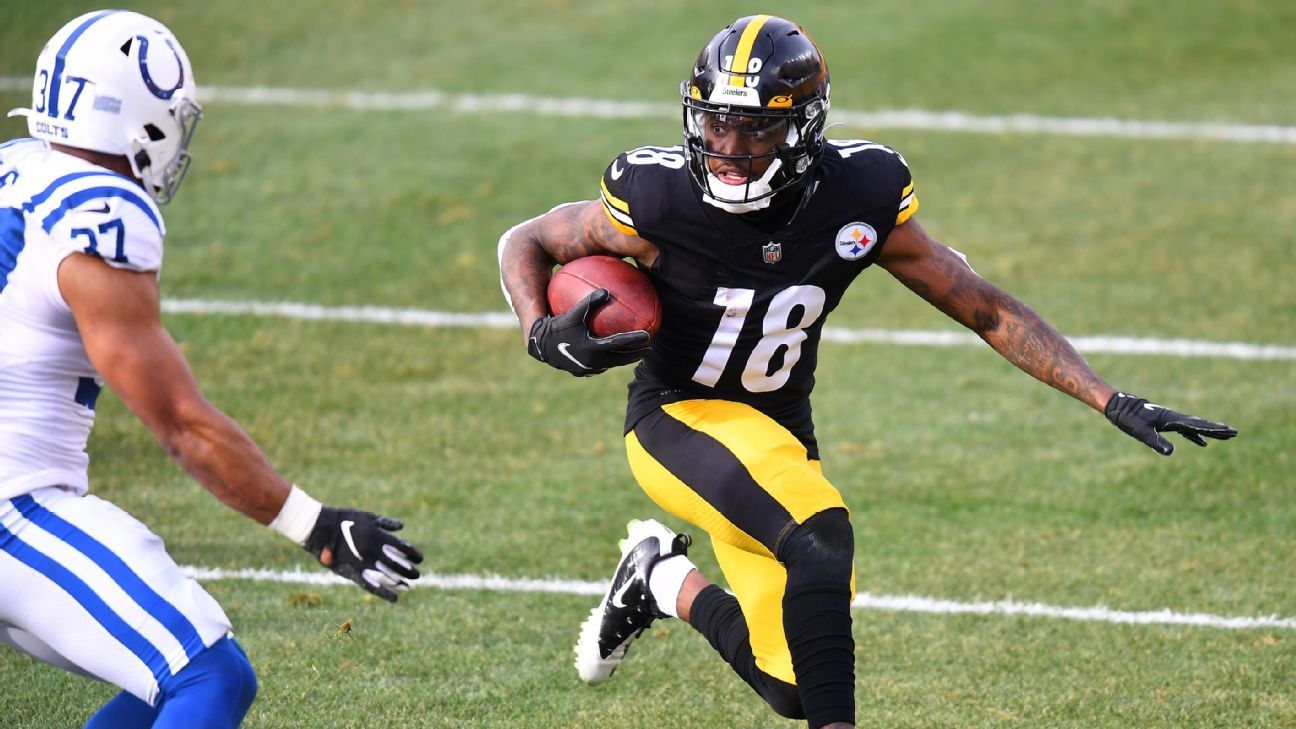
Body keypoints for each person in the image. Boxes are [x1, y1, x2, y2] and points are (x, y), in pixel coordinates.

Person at [498, 13, 1239, 729]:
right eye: (716, 121)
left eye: (755, 127)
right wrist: (539, 331)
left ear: (804, 126)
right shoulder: (655, 195)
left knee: (793, 682)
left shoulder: (862, 192)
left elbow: (982, 305)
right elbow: (523, 240)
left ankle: (658, 578)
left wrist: (1109, 398)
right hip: (675, 419)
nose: (727, 146)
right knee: (820, 535)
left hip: (780, 435)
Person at [0, 10, 424, 728]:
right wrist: (318, 525)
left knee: (163, 678)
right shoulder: (103, 212)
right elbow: (181, 426)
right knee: (207, 677)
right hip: (16, 509)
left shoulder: (14, 163)